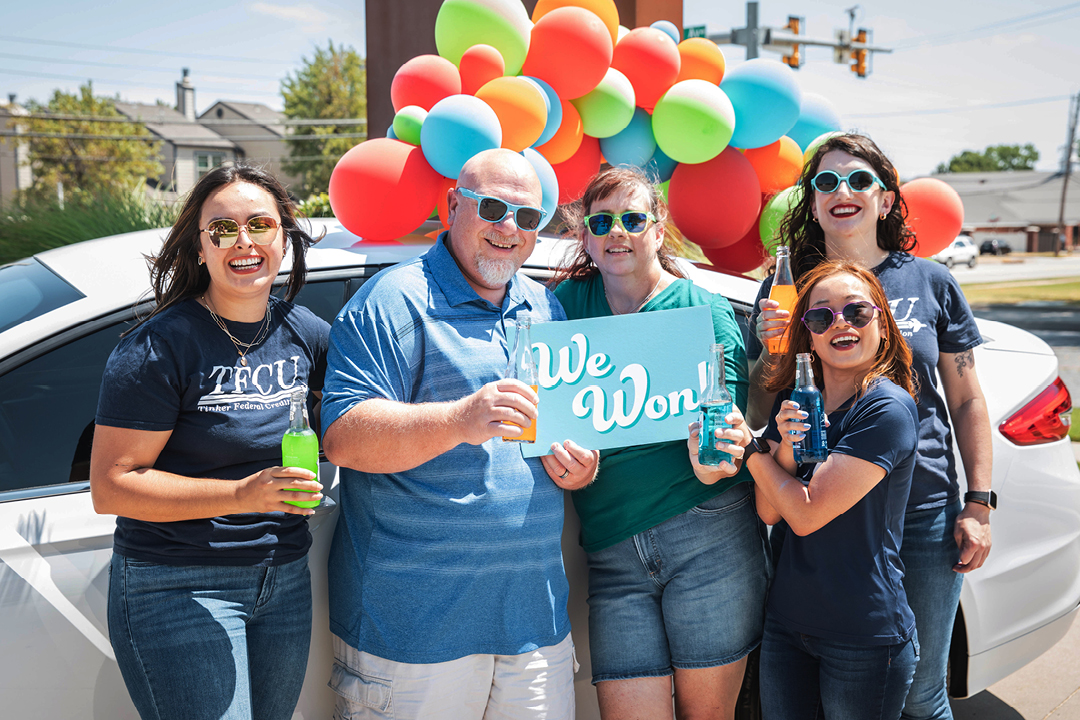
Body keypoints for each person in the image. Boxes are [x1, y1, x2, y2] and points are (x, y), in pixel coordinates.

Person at [321, 148, 599, 720]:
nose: (509, 229)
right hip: (414, 639)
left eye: (527, 218)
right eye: (493, 208)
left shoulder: (545, 309)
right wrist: (458, 420)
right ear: (453, 205)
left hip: (534, 629)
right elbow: (344, 436)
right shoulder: (394, 300)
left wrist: (580, 466)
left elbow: (561, 437)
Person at [747, 133, 993, 720]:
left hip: (923, 512)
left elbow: (966, 399)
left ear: (886, 199)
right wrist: (765, 344)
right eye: (825, 182)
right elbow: (762, 405)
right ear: (810, 202)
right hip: (823, 504)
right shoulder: (789, 292)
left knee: (919, 690)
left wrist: (979, 502)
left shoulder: (932, 282)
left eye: (859, 180)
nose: (842, 192)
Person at [90, 163, 330, 720]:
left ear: (283, 239)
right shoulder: (158, 347)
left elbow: (356, 418)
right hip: (176, 585)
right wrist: (243, 496)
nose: (242, 242)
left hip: (285, 578)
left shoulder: (306, 333)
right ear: (200, 249)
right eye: (222, 230)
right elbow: (112, 486)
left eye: (259, 225)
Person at [551, 166, 769, 720]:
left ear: (657, 226)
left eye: (631, 218)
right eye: (602, 221)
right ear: (585, 235)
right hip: (612, 551)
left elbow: (729, 434)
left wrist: (715, 460)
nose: (616, 232)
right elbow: (540, 410)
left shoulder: (703, 310)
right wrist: (566, 464)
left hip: (708, 537)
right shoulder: (560, 308)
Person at [738, 261, 921, 719]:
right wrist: (780, 454)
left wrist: (749, 449)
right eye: (821, 317)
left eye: (856, 312)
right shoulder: (797, 398)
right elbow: (769, 511)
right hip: (788, 623)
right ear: (809, 334)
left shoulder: (887, 408)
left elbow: (805, 512)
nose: (839, 324)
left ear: (882, 320)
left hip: (863, 634)